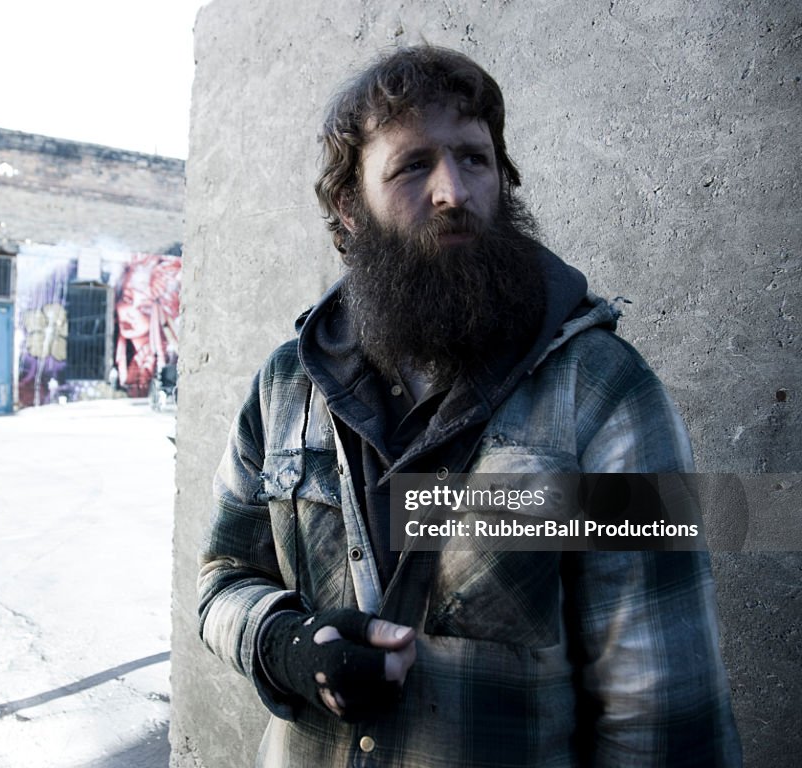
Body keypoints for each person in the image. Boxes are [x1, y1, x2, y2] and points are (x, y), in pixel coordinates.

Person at [198, 45, 741, 767]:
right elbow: (224, 579)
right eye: (413, 165)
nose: (453, 190)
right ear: (349, 207)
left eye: (474, 159)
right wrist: (287, 644)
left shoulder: (604, 394)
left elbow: (663, 713)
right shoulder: (284, 386)